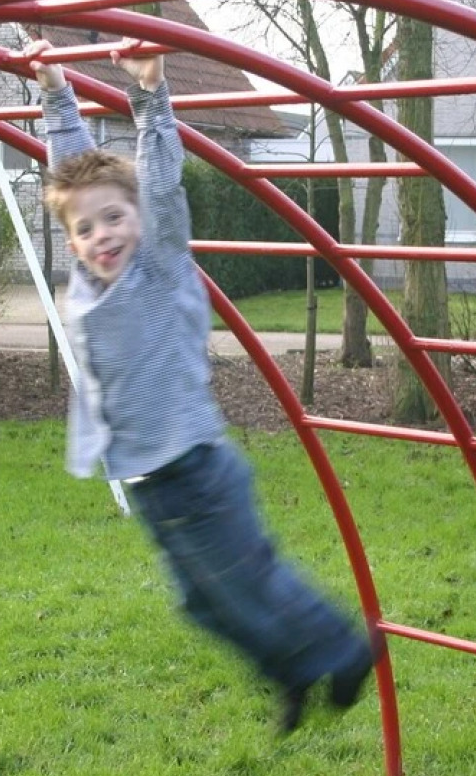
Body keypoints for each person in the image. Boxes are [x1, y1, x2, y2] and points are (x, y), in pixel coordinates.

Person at [25, 37, 374, 734]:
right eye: (88, 228)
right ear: (71, 242)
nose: (105, 235)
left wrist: (150, 96)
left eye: (116, 219)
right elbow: (74, 173)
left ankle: (345, 648)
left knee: (252, 579)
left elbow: (155, 183)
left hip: (196, 468)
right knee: (204, 603)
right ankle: (290, 668)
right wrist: (54, 92)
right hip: (150, 479)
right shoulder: (89, 284)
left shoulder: (157, 265)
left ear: (141, 224)